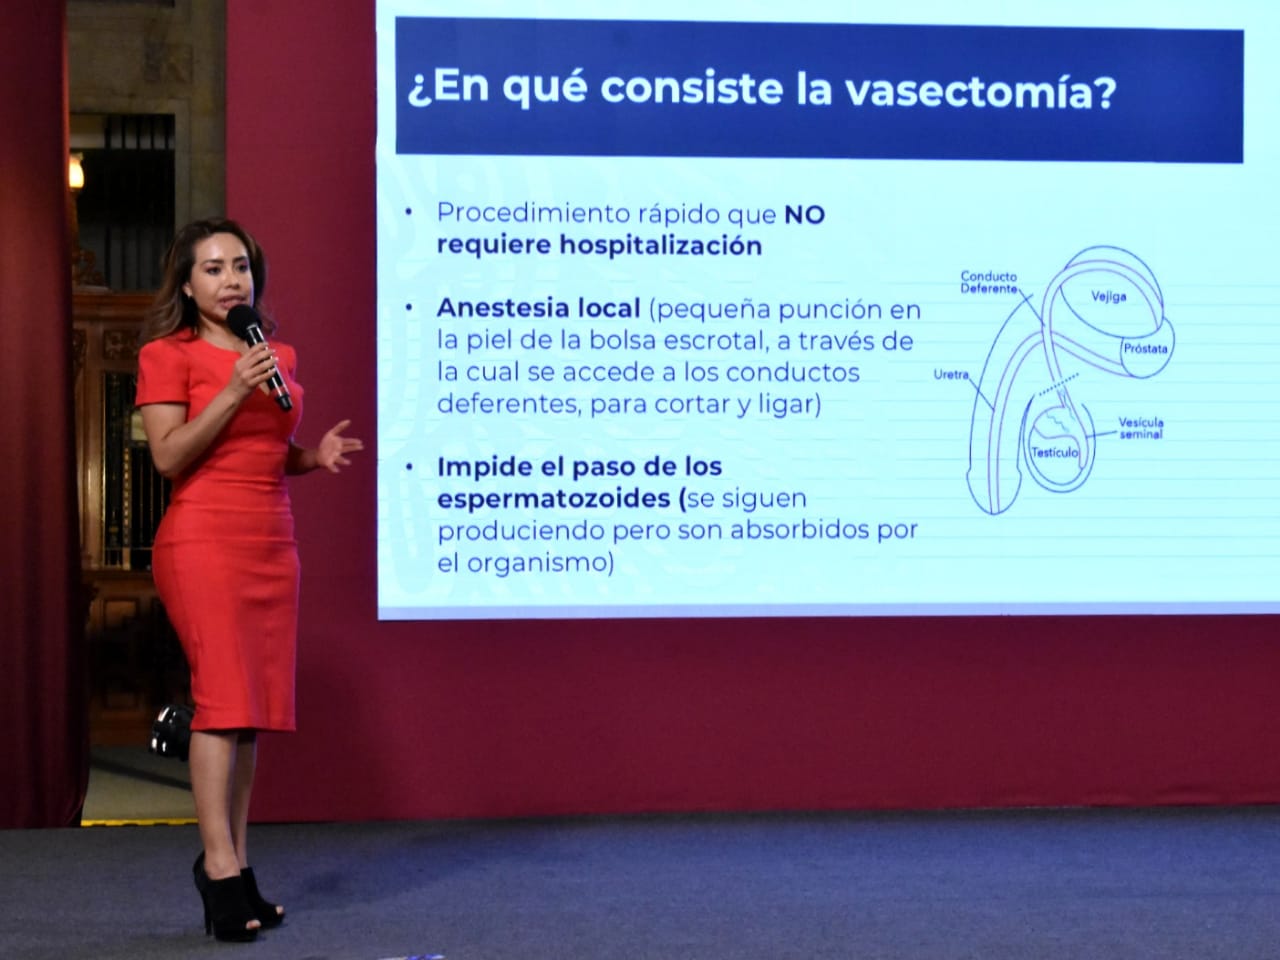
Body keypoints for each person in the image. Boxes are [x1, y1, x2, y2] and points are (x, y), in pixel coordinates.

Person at [135, 218, 362, 942]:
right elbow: (170, 456)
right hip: (203, 538)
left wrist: (311, 457)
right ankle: (218, 867)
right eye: (213, 268)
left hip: (271, 541)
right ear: (186, 284)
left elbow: (267, 447)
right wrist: (233, 389)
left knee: (249, 711)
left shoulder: (275, 352)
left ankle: (238, 862)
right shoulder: (166, 355)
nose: (232, 280)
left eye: (240, 266)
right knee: (220, 703)